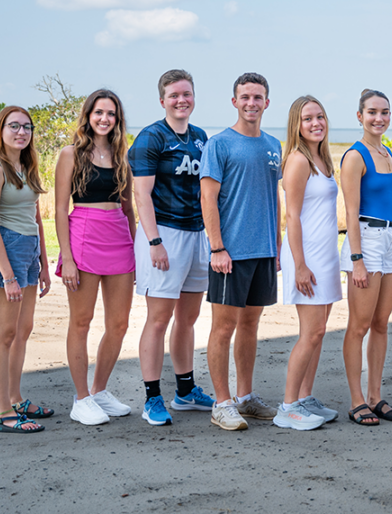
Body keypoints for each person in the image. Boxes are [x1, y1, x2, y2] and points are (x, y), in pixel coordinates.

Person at [129, 70, 215, 427]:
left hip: (197, 234)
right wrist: (154, 242)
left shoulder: (199, 137)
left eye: (187, 94)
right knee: (159, 318)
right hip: (165, 233)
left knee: (188, 317)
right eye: (175, 94)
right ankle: (152, 397)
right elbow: (141, 194)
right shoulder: (151, 138)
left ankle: (185, 390)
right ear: (162, 99)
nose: (182, 100)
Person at [201, 73, 282, 431]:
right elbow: (208, 198)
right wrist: (217, 247)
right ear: (234, 101)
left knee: (251, 325)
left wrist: (276, 245)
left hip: (262, 251)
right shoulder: (219, 144)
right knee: (223, 327)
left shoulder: (272, 145)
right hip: (229, 254)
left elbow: (273, 198)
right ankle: (222, 403)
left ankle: (245, 397)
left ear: (267, 102)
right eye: (245, 97)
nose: (251, 103)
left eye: (258, 97)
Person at [55, 89, 137, 425]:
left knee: (118, 324)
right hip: (84, 237)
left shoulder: (122, 155)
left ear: (118, 119)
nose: (105, 119)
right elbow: (60, 209)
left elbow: (129, 207)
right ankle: (81, 398)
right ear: (88, 115)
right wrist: (68, 258)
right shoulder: (70, 154)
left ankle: (100, 391)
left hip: (118, 238)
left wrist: (135, 248)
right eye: (99, 112)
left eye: (111, 114)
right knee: (82, 321)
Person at [0, 106, 52, 433]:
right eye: (14, 126)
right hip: (5, 251)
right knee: (4, 334)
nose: (21, 132)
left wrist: (44, 265)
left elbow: (36, 220)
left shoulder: (27, 167)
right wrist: (8, 275)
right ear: (1, 130)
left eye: (27, 127)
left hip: (29, 251)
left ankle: (16, 397)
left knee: (23, 330)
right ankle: (3, 413)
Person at [274, 96, 342, 431]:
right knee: (310, 332)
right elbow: (292, 217)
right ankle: (287, 407)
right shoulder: (298, 161)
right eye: (307, 119)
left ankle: (305, 396)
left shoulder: (323, 159)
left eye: (320, 117)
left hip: (326, 254)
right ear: (296, 125)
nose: (316, 123)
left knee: (318, 332)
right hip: (307, 256)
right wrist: (299, 265)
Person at [340, 89, 392, 427]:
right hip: (365, 240)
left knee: (381, 324)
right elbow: (350, 213)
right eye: (372, 112)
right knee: (360, 324)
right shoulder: (356, 156)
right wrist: (357, 259)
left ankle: (375, 396)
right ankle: (356, 400)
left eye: (385, 112)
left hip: (391, 239)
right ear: (359, 116)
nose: (379, 118)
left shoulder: (388, 151)